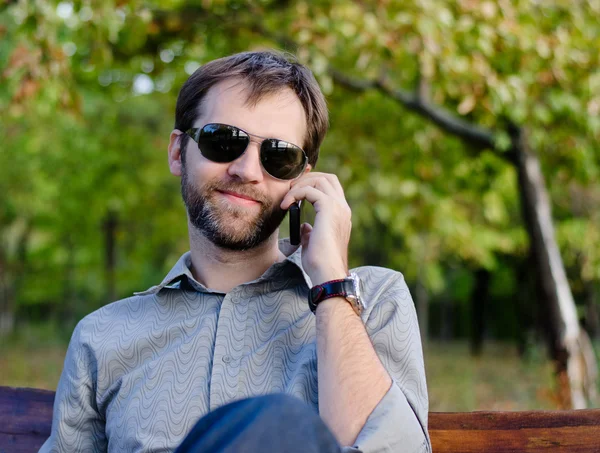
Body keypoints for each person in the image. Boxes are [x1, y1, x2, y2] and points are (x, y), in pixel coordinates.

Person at [40, 50, 431, 453]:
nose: (247, 170)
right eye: (223, 140)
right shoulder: (101, 339)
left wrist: (331, 285)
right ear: (178, 152)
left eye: (279, 155)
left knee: (280, 422)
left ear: (302, 180)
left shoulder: (376, 300)